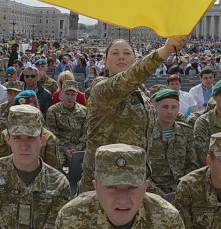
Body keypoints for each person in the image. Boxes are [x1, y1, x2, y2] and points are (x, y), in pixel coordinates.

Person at [79, 36, 187, 193]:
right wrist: (164, 51)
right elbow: (127, 79)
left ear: (134, 60)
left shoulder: (141, 92)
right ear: (106, 61)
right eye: (115, 53)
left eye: (127, 53)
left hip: (136, 180)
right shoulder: (100, 89)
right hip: (105, 184)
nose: (121, 56)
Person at [0, 105, 70, 228]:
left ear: (42, 140)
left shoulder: (58, 183)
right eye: (17, 138)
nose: (24, 146)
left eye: (31, 138)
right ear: (7, 139)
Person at [57, 143, 183, 228]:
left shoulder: (167, 219)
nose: (122, 200)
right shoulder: (71, 218)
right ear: (95, 186)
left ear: (146, 187)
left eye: (132, 187)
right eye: (112, 187)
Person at [148, 88, 198, 196]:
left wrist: (182, 190)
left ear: (179, 108)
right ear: (156, 107)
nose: (170, 111)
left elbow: (192, 165)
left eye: (174, 107)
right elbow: (142, 171)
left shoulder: (186, 132)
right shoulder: (146, 133)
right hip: (153, 193)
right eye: (165, 107)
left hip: (183, 190)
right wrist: (160, 195)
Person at [46, 80, 88, 166]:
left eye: (73, 94)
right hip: (59, 148)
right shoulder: (53, 111)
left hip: (80, 148)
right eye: (67, 94)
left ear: (77, 95)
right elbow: (53, 134)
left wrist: (77, 150)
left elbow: (86, 132)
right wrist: (65, 150)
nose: (70, 97)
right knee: (56, 163)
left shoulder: (84, 111)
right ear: (61, 95)